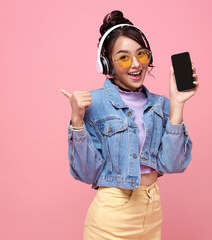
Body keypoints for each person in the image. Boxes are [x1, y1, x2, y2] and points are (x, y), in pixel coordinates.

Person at [61, 10, 199, 240]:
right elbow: (87, 173)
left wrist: (177, 105)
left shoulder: (160, 105)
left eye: (142, 54)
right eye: (124, 57)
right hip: (112, 215)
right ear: (107, 64)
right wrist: (77, 122)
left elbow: (173, 165)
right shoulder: (95, 104)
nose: (136, 64)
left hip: (151, 211)